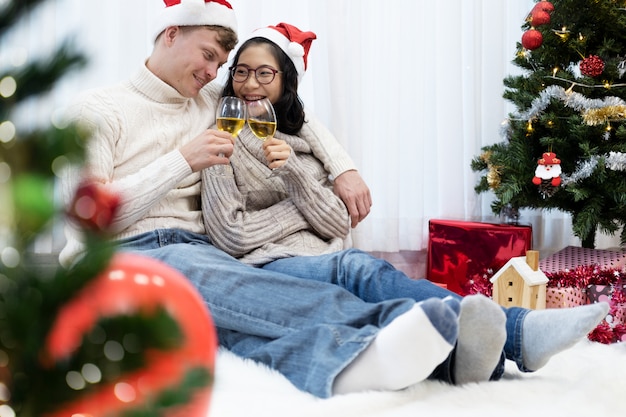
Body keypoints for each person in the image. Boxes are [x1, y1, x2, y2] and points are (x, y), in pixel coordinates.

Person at [60, 0, 473, 399]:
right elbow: (86, 217)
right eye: (206, 55)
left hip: (201, 252)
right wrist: (182, 161)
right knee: (243, 284)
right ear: (170, 34)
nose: (211, 72)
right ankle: (397, 328)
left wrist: (343, 168)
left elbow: (294, 111)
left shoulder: (209, 102)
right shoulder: (98, 110)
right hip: (121, 255)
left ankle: (385, 360)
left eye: (221, 65)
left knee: (235, 331)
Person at [200, 21, 610, 392]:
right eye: (241, 71)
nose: (250, 83)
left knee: (371, 296)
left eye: (264, 73)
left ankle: (468, 361)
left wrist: (296, 177)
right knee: (357, 267)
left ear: (284, 81)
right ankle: (521, 332)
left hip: (319, 255)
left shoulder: (302, 142)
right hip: (265, 265)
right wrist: (305, 209)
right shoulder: (222, 139)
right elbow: (232, 235)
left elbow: (335, 220)